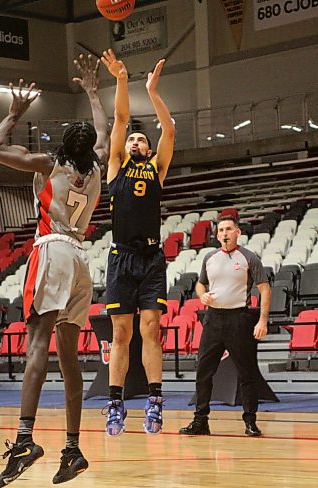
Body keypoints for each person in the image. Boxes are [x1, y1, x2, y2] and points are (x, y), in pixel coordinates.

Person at [0, 54, 109, 487]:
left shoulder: (48, 165)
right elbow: (106, 135)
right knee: (70, 357)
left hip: (54, 249)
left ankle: (24, 439)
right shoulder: (96, 169)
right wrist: (94, 92)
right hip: (81, 260)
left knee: (37, 346)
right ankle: (73, 448)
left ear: (61, 145)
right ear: (89, 145)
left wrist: (13, 114)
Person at [100, 49, 175, 436]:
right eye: (131, 138)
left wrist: (152, 90)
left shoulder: (156, 168)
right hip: (121, 257)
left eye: (140, 140)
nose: (134, 141)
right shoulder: (116, 166)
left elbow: (170, 130)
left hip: (151, 257)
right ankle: (115, 403)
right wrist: (123, 80)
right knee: (121, 334)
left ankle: (155, 399)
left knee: (151, 328)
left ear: (147, 149)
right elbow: (120, 118)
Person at [179, 215, 271, 437]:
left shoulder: (249, 257)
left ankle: (250, 421)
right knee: (203, 371)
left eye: (229, 229)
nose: (224, 233)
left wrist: (263, 320)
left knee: (246, 373)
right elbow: (201, 285)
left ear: (237, 232)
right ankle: (200, 420)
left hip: (239, 319)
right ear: (217, 234)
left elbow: (265, 289)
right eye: (221, 230)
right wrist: (202, 296)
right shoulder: (210, 257)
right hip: (213, 319)